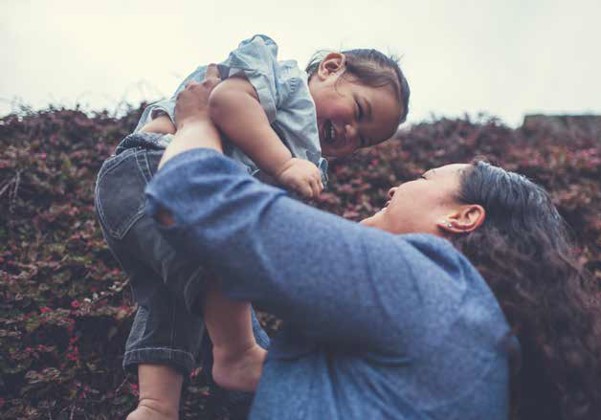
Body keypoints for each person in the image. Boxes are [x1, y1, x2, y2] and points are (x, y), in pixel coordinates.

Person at [141, 66, 601, 419]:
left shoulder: (426, 285)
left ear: (463, 216)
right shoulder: (477, 344)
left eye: (422, 177)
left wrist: (196, 121)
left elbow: (192, 199)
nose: (396, 187)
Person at [94, 35, 409, 419]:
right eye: (358, 111)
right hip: (149, 170)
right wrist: (284, 165)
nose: (351, 134)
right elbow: (226, 102)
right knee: (220, 248)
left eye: (363, 140)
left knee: (172, 298)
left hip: (139, 203)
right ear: (330, 67)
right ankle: (239, 354)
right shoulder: (282, 78)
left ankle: (156, 404)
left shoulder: (308, 157)